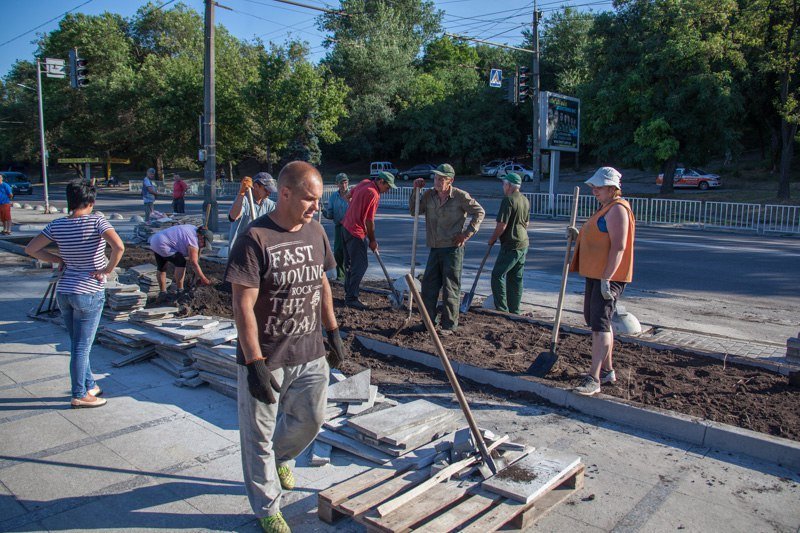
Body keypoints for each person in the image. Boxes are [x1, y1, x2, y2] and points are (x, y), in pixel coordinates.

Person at [224, 161, 346, 533]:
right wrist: (254, 362)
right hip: (268, 356)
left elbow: (322, 283)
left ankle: (283, 456)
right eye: (310, 199)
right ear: (285, 193)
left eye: (318, 200)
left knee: (312, 420)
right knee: (257, 437)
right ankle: (267, 507)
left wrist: (333, 330)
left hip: (309, 350)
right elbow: (242, 304)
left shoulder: (316, 232)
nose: (316, 207)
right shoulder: (254, 238)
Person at [24, 180, 125, 408]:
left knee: (78, 343)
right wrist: (107, 270)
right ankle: (80, 393)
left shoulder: (57, 224)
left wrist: (58, 259)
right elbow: (119, 247)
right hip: (88, 291)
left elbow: (30, 249)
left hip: (65, 291)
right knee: (82, 346)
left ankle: (89, 384)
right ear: (91, 201)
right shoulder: (98, 220)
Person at [569, 167, 636, 396]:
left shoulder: (618, 210)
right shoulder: (605, 208)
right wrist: (578, 236)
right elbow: (601, 237)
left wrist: (607, 278)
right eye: (594, 186)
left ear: (612, 188)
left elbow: (619, 246)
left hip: (609, 276)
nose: (594, 190)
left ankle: (594, 378)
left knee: (599, 325)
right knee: (595, 320)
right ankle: (607, 371)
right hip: (596, 273)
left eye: (599, 186)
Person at [411, 164, 485, 335]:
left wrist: (467, 234)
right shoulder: (429, 195)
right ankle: (428, 322)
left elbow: (479, 212)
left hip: (453, 249)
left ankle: (449, 325)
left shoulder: (460, 196)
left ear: (450, 180)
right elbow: (414, 211)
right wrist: (416, 191)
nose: (437, 182)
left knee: (450, 287)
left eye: (441, 179)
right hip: (435, 248)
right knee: (429, 286)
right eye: (436, 178)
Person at [341, 170, 397, 309]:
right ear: (380, 181)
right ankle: (351, 298)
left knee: (349, 264)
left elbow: (348, 196)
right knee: (360, 265)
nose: (388, 190)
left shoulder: (364, 182)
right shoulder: (373, 193)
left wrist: (354, 210)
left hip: (345, 227)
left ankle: (348, 292)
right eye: (387, 187)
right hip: (356, 232)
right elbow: (369, 221)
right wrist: (372, 240)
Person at [488, 172, 530, 314]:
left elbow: (502, 225)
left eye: (504, 184)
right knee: (516, 278)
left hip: (511, 244)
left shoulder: (508, 200)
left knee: (497, 275)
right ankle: (515, 310)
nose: (503, 187)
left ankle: (502, 309)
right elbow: (527, 223)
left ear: (509, 185)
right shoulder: (525, 199)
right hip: (523, 242)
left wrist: (492, 239)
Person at [149, 224, 214, 298]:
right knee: (181, 261)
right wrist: (204, 279)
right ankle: (180, 290)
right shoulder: (193, 240)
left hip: (155, 240)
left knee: (162, 267)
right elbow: (193, 262)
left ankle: (162, 292)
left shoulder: (194, 229)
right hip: (163, 244)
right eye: (204, 244)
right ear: (201, 237)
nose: (203, 246)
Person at [229, 172, 277, 244]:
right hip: (240, 249)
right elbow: (233, 216)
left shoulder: (270, 205)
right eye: (266, 190)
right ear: (256, 186)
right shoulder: (244, 200)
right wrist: (241, 193)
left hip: (258, 248)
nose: (269, 193)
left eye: (270, 190)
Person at [322, 173, 350, 281]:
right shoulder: (333, 197)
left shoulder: (352, 194)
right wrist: (323, 211)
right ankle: (340, 276)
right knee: (338, 251)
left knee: (349, 252)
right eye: (341, 183)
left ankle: (350, 276)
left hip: (351, 228)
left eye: (345, 182)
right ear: (336, 184)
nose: (344, 185)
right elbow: (330, 215)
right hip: (339, 227)